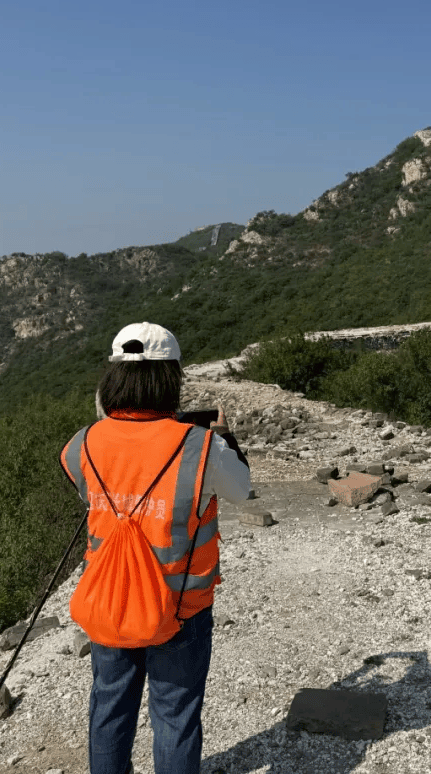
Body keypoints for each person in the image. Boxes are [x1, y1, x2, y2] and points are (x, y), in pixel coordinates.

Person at [60, 322, 251, 774]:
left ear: (111, 380)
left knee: (109, 709)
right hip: (178, 608)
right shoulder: (201, 447)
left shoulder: (82, 444)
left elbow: (89, 493)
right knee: (175, 716)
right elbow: (242, 489)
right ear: (172, 379)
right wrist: (224, 436)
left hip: (109, 603)